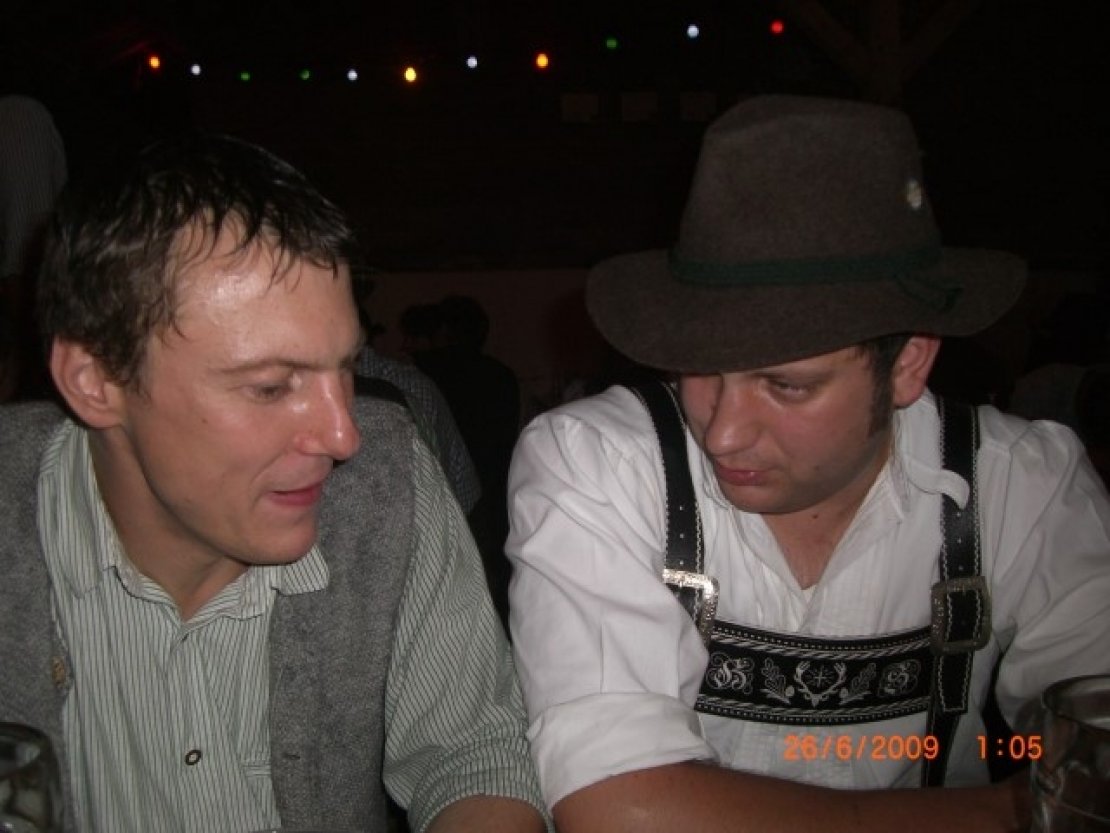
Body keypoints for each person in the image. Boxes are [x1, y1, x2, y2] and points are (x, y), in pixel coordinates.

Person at [506, 95, 1110, 832]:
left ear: (907, 363)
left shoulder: (1024, 483)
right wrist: (1020, 806)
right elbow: (617, 805)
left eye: (786, 385)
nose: (722, 433)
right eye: (699, 368)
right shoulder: (604, 463)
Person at [0, 133, 547, 833]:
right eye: (269, 386)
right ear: (95, 381)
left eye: (345, 367)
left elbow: (474, 756)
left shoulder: (384, 479)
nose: (344, 437)